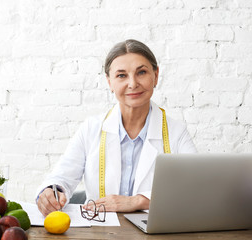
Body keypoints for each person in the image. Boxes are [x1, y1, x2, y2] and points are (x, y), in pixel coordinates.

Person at [36, 39, 197, 216]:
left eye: (141, 72)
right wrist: (51, 191)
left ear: (156, 76)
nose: (133, 83)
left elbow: (196, 189)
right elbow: (61, 177)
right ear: (109, 82)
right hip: (101, 231)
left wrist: (138, 201)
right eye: (121, 75)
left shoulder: (176, 133)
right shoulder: (91, 128)